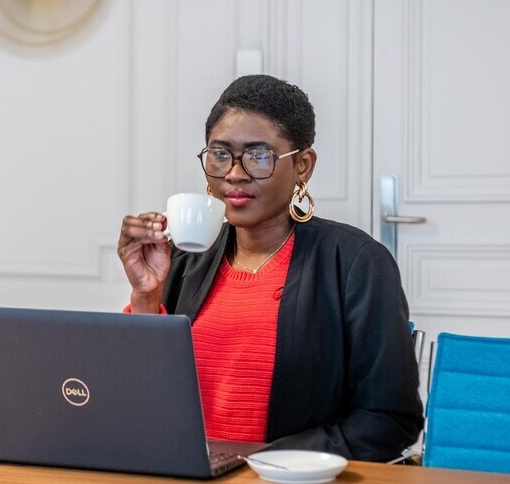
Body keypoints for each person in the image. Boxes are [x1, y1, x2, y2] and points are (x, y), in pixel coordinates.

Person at [116, 74, 423, 462]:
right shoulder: (183, 258)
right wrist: (146, 296)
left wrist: (266, 463)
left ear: (302, 166)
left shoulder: (355, 262)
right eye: (220, 154)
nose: (234, 173)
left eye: (259, 156)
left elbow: (389, 420)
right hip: (184, 476)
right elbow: (137, 398)